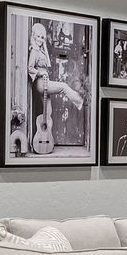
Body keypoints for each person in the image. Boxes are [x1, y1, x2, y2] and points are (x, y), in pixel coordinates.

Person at [24, 19, 86, 154]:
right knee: (63, 86)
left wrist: (45, 48)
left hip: (44, 82)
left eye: (42, 37)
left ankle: (44, 141)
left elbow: (46, 64)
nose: (40, 40)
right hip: (40, 83)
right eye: (38, 37)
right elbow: (29, 68)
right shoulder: (34, 51)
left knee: (48, 113)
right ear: (33, 37)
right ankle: (81, 101)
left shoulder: (41, 50)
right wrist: (41, 72)